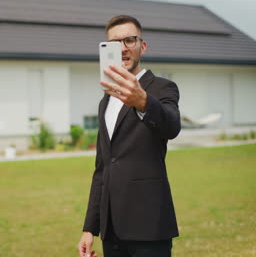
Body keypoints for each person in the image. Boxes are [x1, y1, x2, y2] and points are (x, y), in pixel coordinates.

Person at [77, 15, 181, 257]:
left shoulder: (162, 88)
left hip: (149, 224)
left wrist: (143, 102)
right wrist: (89, 228)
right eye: (115, 43)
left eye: (130, 40)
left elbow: (172, 126)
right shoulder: (105, 101)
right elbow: (102, 168)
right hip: (111, 229)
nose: (123, 48)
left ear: (142, 46)